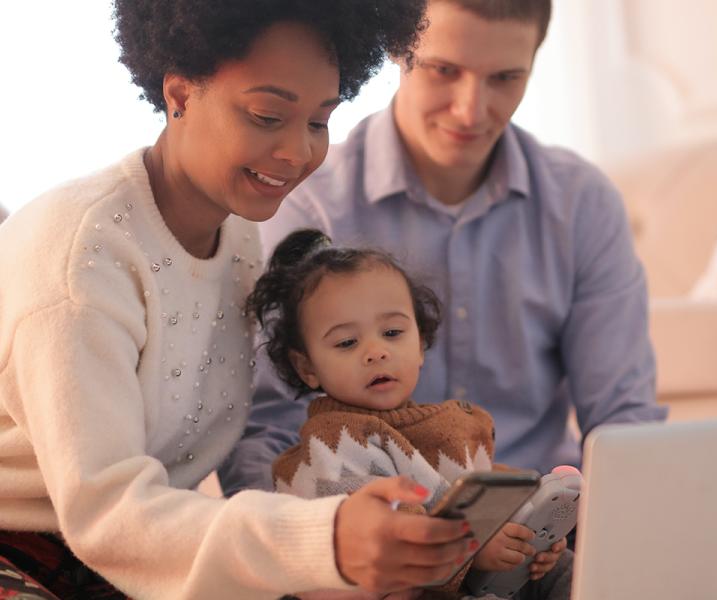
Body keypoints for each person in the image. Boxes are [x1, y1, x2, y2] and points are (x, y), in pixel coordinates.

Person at [0, 1, 479, 599]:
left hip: (141, 556)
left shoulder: (239, 234)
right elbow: (108, 515)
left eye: (318, 122)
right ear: (179, 94)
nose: (298, 153)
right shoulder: (81, 259)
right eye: (266, 116)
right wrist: (325, 541)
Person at [221, 0, 667, 530]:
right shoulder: (305, 204)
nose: (470, 111)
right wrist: (303, 549)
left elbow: (622, 422)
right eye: (444, 70)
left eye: (505, 78)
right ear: (396, 50)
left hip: (544, 527)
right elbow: (266, 426)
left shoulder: (582, 203)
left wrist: (623, 534)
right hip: (370, 535)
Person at [250, 228, 571, 600]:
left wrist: (527, 527)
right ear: (307, 367)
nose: (376, 352)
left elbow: (479, 488)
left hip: (464, 575)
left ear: (420, 343)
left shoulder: (444, 426)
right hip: (396, 584)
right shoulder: (333, 443)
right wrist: (473, 552)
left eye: (392, 332)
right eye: (347, 342)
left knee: (567, 569)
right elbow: (387, 537)